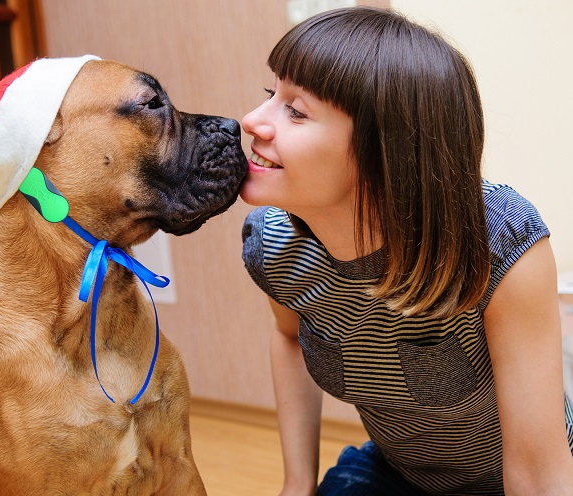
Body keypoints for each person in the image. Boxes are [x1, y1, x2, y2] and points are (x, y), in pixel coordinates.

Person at [239, 6, 573, 495]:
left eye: (296, 110)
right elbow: (289, 338)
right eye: (271, 95)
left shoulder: (500, 244)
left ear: (386, 151)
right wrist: (297, 484)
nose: (252, 121)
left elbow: (540, 476)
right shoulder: (273, 246)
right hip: (402, 473)